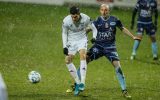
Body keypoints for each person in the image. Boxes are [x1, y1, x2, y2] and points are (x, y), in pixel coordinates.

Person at [67, 4, 140, 98]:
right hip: (98, 46)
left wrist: (133, 36)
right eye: (102, 10)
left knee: (118, 67)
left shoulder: (115, 20)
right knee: (84, 60)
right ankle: (76, 84)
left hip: (110, 47)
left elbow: (122, 28)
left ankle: (124, 90)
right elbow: (89, 29)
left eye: (106, 10)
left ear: (108, 11)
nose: (104, 12)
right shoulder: (97, 20)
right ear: (100, 11)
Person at [62, 6, 97, 96]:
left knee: (83, 56)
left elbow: (94, 28)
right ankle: (77, 82)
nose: (74, 18)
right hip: (72, 41)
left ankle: (83, 82)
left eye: (75, 16)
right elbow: (64, 33)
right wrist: (64, 46)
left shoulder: (86, 18)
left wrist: (94, 37)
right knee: (67, 60)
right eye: (72, 16)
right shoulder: (66, 20)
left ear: (79, 14)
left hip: (82, 40)